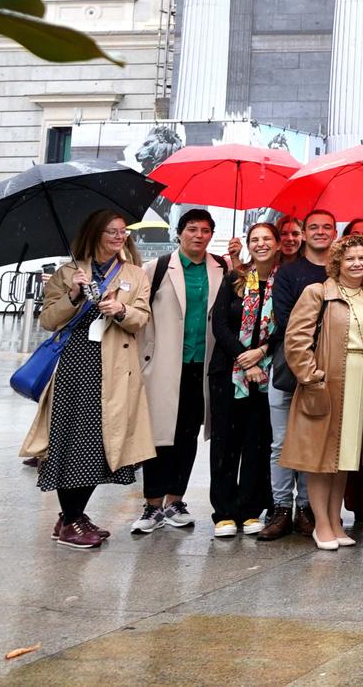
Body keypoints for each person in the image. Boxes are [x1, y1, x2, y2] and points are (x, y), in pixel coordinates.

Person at [23, 210, 154, 549]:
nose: (118, 237)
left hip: (114, 368)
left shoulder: (134, 274)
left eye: (123, 232)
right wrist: (73, 296)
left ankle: (72, 516)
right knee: (71, 441)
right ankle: (70, 520)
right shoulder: (68, 273)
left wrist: (120, 311)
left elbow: (141, 318)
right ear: (96, 233)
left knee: (100, 444)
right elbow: (49, 321)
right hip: (74, 367)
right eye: (111, 231)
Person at [281, 234, 363, 551]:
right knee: (321, 456)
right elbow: (296, 341)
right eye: (350, 258)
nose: (356, 263)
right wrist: (312, 377)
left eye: (362, 258)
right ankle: (321, 524)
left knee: (346, 456)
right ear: (337, 261)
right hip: (327, 381)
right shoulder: (318, 293)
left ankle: (336, 520)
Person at [135, 209, 228, 534]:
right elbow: (138, 314)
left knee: (188, 435)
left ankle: (176, 500)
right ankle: (152, 505)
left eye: (205, 230)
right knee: (159, 435)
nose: (198, 235)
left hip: (202, 367)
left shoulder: (222, 268)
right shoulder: (157, 268)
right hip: (164, 366)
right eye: (192, 229)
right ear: (180, 233)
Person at [263, 209, 337, 540]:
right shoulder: (289, 272)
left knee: (314, 442)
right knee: (281, 443)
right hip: (290, 368)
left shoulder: (342, 272)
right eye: (314, 227)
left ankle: (307, 508)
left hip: (330, 371)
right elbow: (285, 318)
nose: (321, 232)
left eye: (327, 227)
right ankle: (281, 509)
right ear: (304, 234)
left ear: (335, 233)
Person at [206, 222, 281, 538]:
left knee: (258, 442)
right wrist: (244, 357)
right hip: (229, 371)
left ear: (277, 244)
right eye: (255, 239)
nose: (261, 244)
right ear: (248, 244)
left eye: (267, 239)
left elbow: (289, 326)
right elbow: (220, 325)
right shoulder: (233, 278)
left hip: (267, 373)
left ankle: (251, 509)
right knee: (225, 443)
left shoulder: (285, 282)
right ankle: (224, 511)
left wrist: (262, 352)